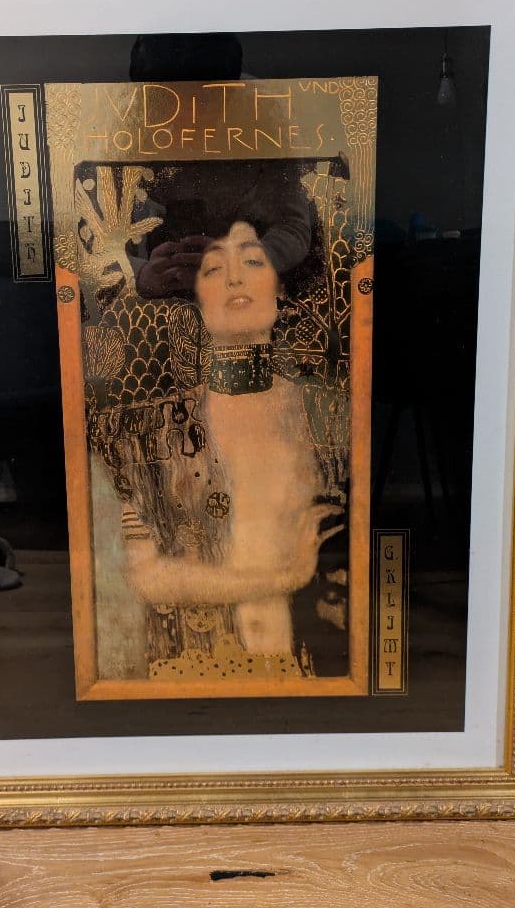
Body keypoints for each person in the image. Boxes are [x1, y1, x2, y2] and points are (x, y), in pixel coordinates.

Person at [103, 211, 349, 680]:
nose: (235, 277)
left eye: (254, 261)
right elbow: (145, 576)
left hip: (318, 671)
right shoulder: (148, 428)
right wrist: (282, 578)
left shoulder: (329, 417)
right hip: (194, 669)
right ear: (194, 295)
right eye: (214, 267)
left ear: (281, 289)